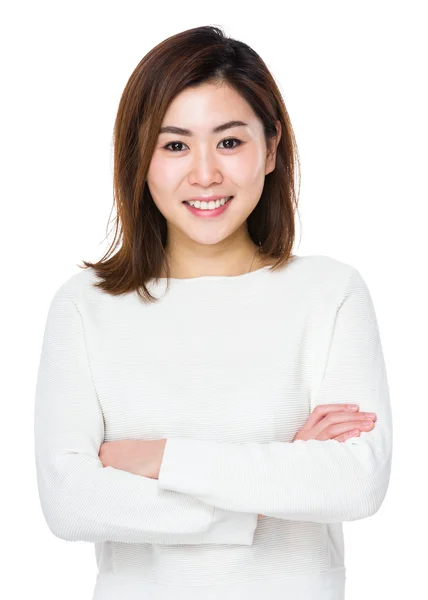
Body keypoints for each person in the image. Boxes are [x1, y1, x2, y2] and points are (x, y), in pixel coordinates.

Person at [34, 25, 393, 600]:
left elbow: (355, 484)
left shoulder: (330, 293)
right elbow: (69, 502)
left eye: (229, 142)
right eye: (174, 145)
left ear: (271, 148)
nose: (205, 174)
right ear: (140, 157)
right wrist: (269, 485)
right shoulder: (86, 307)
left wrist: (154, 460)